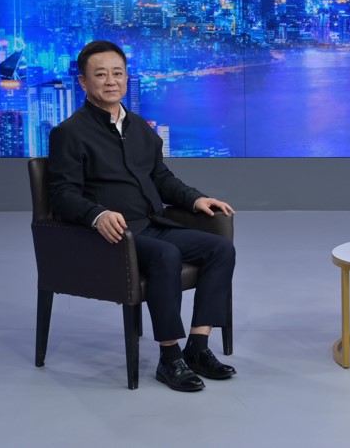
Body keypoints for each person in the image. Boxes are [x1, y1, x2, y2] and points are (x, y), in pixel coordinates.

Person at [48, 40, 237, 392]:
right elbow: (62, 194)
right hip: (111, 237)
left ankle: (197, 347)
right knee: (167, 254)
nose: (110, 81)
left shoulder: (139, 127)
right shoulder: (69, 133)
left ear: (126, 77)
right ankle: (170, 358)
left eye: (117, 73)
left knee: (220, 249)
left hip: (152, 225)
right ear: (84, 82)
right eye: (100, 75)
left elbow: (161, 178)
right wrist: (97, 214)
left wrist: (196, 199)